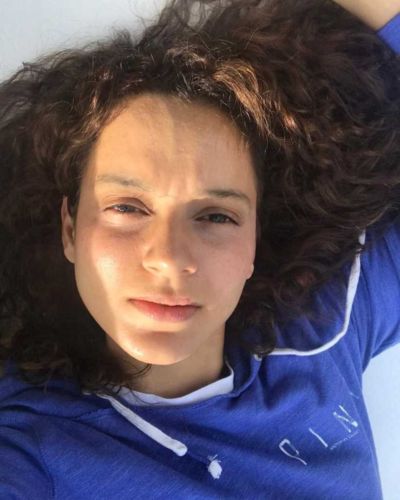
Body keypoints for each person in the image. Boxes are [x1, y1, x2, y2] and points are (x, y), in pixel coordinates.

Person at [0, 0, 399, 497]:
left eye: (216, 216)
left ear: (255, 237)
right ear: (70, 230)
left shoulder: (328, 323)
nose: (169, 259)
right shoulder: (31, 447)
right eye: (127, 207)